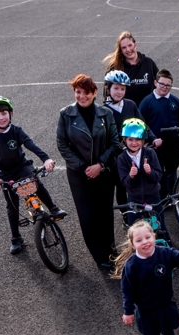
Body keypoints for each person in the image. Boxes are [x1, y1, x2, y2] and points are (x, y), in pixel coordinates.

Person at [0, 96, 67, 254]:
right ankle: (16, 237)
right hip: (4, 173)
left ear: (11, 114)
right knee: (12, 206)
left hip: (21, 166)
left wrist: (46, 159)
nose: (1, 117)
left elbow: (29, 144)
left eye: (4, 113)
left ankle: (53, 208)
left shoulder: (16, 130)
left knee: (35, 182)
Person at [56, 74, 120, 270]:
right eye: (77, 92)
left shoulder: (105, 113)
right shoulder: (66, 114)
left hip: (103, 172)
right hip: (79, 175)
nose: (81, 96)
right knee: (87, 215)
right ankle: (99, 254)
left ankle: (110, 249)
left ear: (94, 93)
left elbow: (114, 142)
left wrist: (100, 164)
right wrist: (84, 167)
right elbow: (62, 144)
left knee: (105, 214)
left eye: (85, 92)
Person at [101, 70, 153, 226]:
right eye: (116, 88)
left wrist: (154, 138)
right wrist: (121, 147)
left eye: (122, 89)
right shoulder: (104, 110)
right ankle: (126, 215)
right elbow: (107, 136)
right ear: (108, 89)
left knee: (139, 180)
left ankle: (141, 209)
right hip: (117, 156)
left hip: (134, 151)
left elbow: (142, 124)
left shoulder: (130, 105)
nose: (119, 92)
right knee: (122, 185)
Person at [116, 118, 173, 245]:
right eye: (130, 139)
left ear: (143, 141)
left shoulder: (150, 153)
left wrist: (150, 172)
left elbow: (158, 175)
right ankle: (135, 254)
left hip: (153, 196)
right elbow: (125, 183)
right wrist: (131, 176)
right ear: (124, 140)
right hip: (134, 199)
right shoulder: (121, 159)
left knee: (160, 225)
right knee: (133, 229)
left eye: (137, 139)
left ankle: (168, 249)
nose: (134, 143)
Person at [139, 69, 179, 199]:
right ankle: (160, 197)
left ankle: (174, 195)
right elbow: (142, 124)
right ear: (155, 82)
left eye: (168, 85)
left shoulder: (175, 102)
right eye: (162, 84)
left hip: (174, 144)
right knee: (157, 171)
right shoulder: (147, 102)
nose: (164, 87)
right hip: (156, 146)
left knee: (172, 170)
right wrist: (149, 140)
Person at [102, 31, 159, 106]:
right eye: (124, 48)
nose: (128, 50)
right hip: (126, 112)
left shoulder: (149, 63)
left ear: (135, 45)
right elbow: (107, 93)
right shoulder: (114, 67)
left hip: (148, 111)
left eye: (130, 45)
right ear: (121, 50)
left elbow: (159, 85)